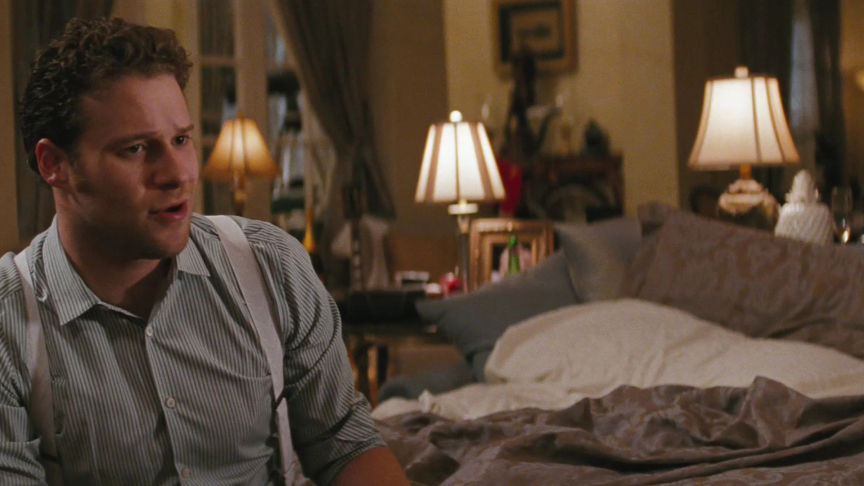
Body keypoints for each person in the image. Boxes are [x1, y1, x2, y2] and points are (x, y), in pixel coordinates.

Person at [1, 17, 409, 485]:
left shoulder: (271, 264)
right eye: (135, 149)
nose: (178, 174)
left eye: (181, 140)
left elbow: (344, 443)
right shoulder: (9, 320)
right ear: (54, 164)